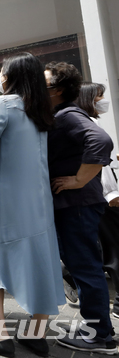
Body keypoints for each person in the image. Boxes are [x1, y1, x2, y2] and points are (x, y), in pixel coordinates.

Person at [0, 54, 64, 357]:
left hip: (3, 197)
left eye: (3, 71)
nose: (0, 76)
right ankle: (36, 334)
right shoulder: (42, 110)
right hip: (39, 200)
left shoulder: (1, 104)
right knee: (39, 259)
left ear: (11, 76)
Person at [46, 62, 116, 354]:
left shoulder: (68, 115)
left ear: (59, 90)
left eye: (44, 84)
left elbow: (100, 140)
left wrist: (78, 179)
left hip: (77, 205)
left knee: (86, 267)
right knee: (83, 266)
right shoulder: (61, 115)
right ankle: (97, 327)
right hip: (75, 205)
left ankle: (100, 335)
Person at [76, 82, 119, 319]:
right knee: (111, 250)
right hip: (102, 197)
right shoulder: (88, 126)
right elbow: (98, 166)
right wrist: (112, 195)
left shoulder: (90, 123)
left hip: (99, 196)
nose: (103, 100)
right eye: (99, 96)